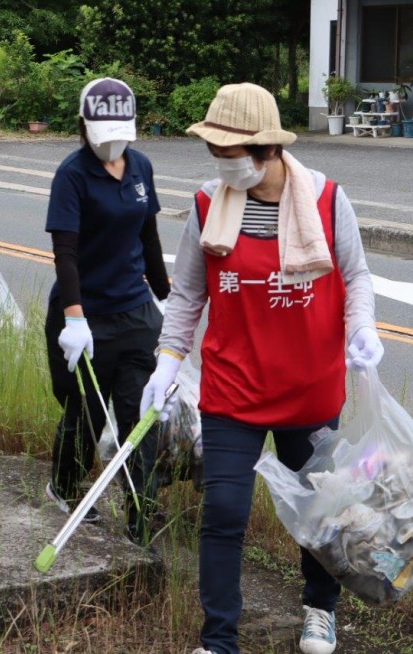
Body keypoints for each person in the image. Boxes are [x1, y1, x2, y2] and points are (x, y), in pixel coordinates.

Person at [139, 83, 384, 654]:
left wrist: (362, 328)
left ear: (267, 150)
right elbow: (187, 296)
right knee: (223, 511)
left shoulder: (325, 200)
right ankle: (219, 638)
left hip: (310, 390)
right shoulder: (206, 204)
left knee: (317, 513)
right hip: (233, 391)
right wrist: (167, 361)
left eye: (232, 155)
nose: (222, 166)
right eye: (216, 155)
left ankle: (320, 609)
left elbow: (358, 277)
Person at [44, 77, 170, 548]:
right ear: (84, 126)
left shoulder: (141, 167)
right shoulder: (72, 175)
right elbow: (66, 252)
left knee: (142, 417)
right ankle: (65, 485)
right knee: (87, 414)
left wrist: (167, 298)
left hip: (136, 314)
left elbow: (149, 237)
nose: (112, 143)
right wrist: (75, 318)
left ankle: (142, 521)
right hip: (86, 316)